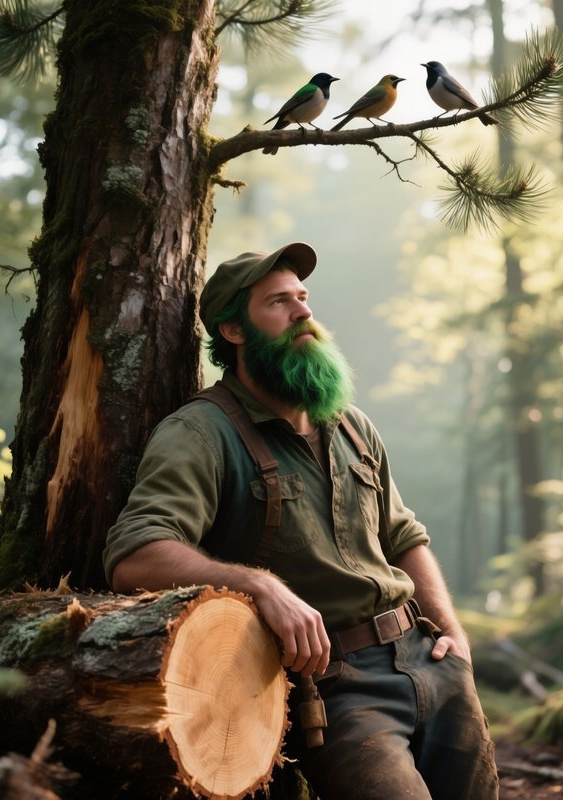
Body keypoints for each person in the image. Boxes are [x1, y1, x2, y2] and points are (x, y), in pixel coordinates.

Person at [103, 242, 499, 800]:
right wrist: (260, 585)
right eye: (278, 303)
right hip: (336, 690)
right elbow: (135, 554)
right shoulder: (200, 434)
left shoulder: (352, 425)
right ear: (234, 331)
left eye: (303, 298)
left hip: (430, 661)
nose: (303, 313)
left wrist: (453, 638)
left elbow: (405, 536)